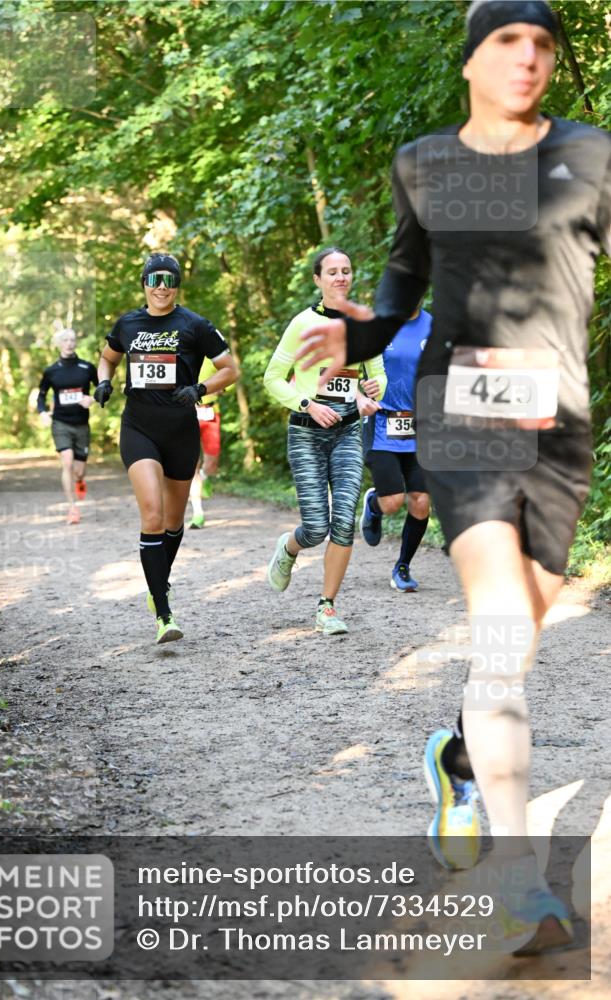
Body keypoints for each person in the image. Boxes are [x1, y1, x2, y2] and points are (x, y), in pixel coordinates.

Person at [296, 0, 610, 953]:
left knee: (516, 640)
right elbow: (402, 284)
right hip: (461, 408)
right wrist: (359, 331)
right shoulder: (427, 165)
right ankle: (521, 885)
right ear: (471, 59)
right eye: (507, 43)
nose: (528, 60)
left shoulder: (589, 156)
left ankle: (458, 761)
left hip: (555, 422)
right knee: (502, 630)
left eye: (542, 46)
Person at [94, 252, 239, 643]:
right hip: (139, 428)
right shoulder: (128, 323)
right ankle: (163, 611)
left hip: (181, 433)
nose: (161, 286)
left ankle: (159, 582)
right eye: (154, 279)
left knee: (174, 523)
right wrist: (103, 381)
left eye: (169, 280)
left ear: (177, 286)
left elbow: (231, 369)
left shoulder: (194, 325)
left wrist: (201, 388)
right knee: (153, 515)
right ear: (144, 283)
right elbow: (106, 359)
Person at [263, 247, 386, 636]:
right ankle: (290, 547)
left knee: (344, 520)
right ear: (317, 280)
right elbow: (272, 378)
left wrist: (370, 393)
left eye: (346, 270)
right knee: (316, 527)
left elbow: (376, 378)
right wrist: (307, 404)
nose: (340, 277)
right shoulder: (302, 323)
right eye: (331, 272)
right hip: (306, 432)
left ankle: (327, 607)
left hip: (348, 431)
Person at [358, 305, 433, 592]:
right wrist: (359, 393)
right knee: (392, 502)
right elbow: (348, 365)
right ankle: (374, 504)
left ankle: (402, 566)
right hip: (381, 424)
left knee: (421, 500)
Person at [36, 328, 98, 524]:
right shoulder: (51, 371)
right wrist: (43, 412)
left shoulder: (86, 367)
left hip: (81, 424)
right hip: (61, 423)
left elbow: (102, 389)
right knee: (67, 462)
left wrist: (92, 399)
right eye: (65, 340)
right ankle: (72, 508)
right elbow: (41, 395)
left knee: (79, 471)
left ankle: (79, 481)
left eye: (73, 339)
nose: (70, 343)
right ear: (59, 344)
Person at [188, 356, 224, 529]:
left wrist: (220, 388)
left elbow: (228, 379)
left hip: (209, 413)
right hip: (187, 414)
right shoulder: (181, 354)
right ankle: (198, 514)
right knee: (192, 465)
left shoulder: (213, 357)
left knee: (212, 463)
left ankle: (205, 477)